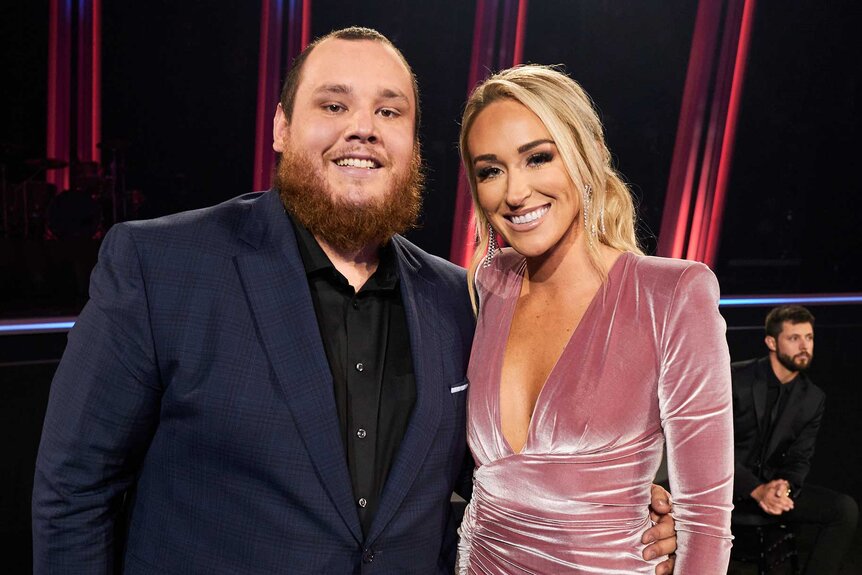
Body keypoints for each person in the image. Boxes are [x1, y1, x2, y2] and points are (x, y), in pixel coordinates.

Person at [31, 29, 679, 573]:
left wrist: (606, 502)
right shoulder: (161, 265)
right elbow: (73, 489)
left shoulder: (456, 296)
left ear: (412, 144)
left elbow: (481, 479)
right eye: (334, 105)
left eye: (389, 112)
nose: (363, 128)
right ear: (283, 126)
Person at [456, 64, 734, 573]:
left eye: (538, 157)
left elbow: (707, 523)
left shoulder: (671, 294)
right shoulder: (490, 284)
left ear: (590, 157)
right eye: (490, 170)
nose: (514, 192)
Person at [731, 305, 858, 574]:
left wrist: (784, 487)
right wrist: (755, 489)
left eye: (809, 338)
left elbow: (800, 458)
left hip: (772, 491)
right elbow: (709, 452)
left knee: (844, 509)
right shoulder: (735, 379)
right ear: (771, 342)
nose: (804, 346)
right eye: (794, 338)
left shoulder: (812, 398)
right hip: (725, 488)